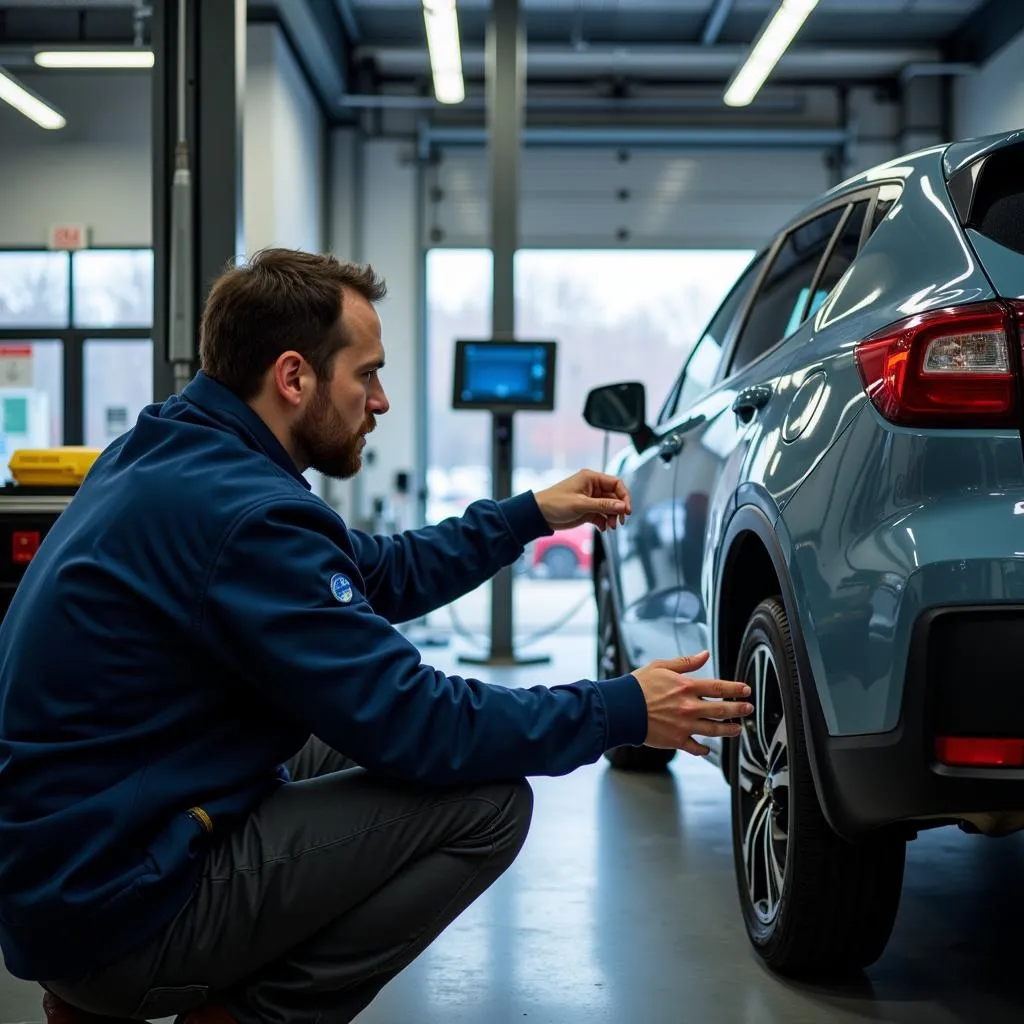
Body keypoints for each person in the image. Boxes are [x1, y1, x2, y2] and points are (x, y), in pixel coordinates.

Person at [0, 248, 753, 1024]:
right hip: (117, 909)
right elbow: (418, 723)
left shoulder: (174, 450)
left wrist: (528, 514)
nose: (381, 400)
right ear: (293, 378)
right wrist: (622, 709)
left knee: (350, 741)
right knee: (485, 803)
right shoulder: (248, 516)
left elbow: (378, 572)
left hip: (72, 869)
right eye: (367, 374)